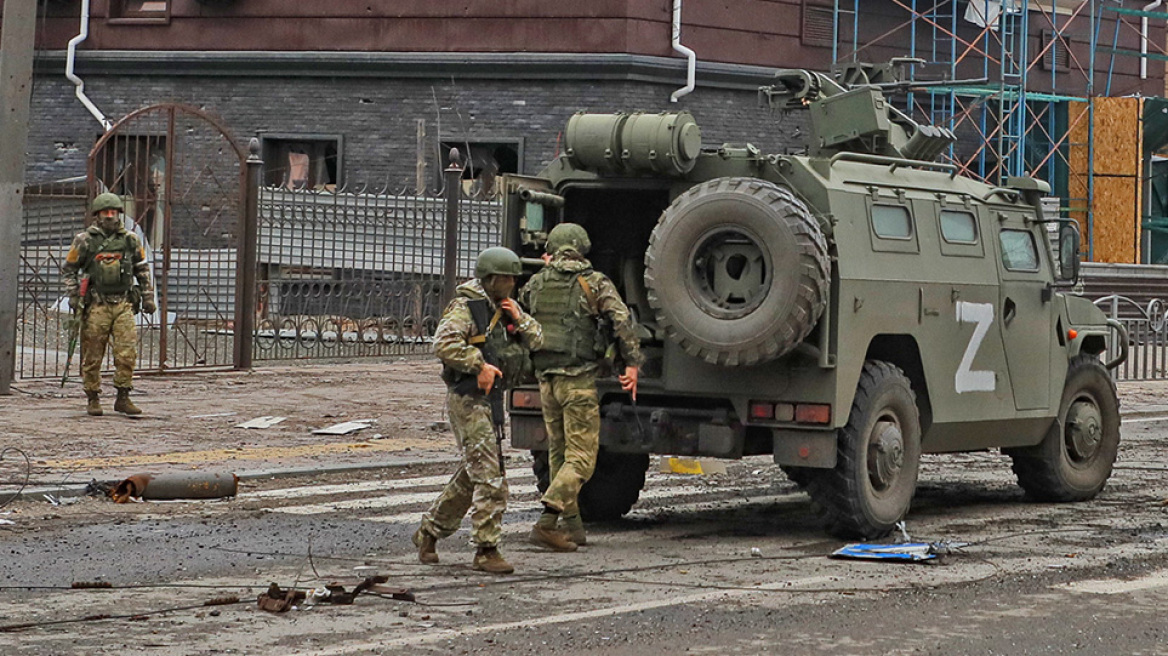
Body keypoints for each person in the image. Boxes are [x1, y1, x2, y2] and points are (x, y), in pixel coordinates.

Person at [413, 246, 542, 574]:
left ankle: (429, 531)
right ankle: (486, 548)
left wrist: (520, 319)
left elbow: (539, 340)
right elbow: (442, 344)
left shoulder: (506, 308)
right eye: (506, 278)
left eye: (514, 278)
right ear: (490, 279)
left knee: (474, 475)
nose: (511, 283)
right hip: (468, 399)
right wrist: (478, 364)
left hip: (491, 401)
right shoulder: (466, 307)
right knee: (491, 476)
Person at [519, 223, 643, 550]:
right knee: (583, 458)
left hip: (546, 381)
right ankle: (548, 520)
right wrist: (631, 364)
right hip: (577, 381)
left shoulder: (537, 282)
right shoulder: (595, 282)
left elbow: (520, 314)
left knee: (559, 454)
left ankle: (573, 528)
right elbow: (621, 321)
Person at [61, 192, 156, 417]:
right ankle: (93, 397)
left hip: (123, 304)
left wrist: (148, 296)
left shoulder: (130, 240)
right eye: (106, 212)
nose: (110, 216)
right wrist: (74, 295)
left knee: (127, 352)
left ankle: (123, 396)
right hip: (97, 305)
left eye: (114, 212)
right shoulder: (84, 240)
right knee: (93, 354)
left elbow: (142, 269)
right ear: (97, 215)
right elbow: (69, 269)